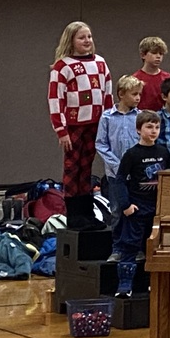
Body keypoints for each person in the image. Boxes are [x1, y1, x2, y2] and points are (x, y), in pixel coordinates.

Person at [49, 21, 113, 230]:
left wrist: (108, 125)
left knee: (86, 170)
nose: (87, 41)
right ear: (71, 41)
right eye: (81, 37)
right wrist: (61, 130)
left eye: (89, 37)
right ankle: (73, 214)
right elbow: (55, 100)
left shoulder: (101, 63)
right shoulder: (62, 66)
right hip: (73, 127)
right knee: (72, 169)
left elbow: (107, 95)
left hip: (95, 124)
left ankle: (86, 212)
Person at [114, 110, 170, 298]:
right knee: (130, 247)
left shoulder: (163, 152)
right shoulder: (132, 154)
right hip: (137, 209)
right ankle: (124, 285)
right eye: (149, 127)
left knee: (155, 249)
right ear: (138, 129)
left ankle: (152, 284)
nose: (153, 131)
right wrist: (125, 205)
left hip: (157, 210)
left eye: (157, 127)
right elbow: (120, 179)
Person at [95, 75, 143, 254]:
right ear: (121, 94)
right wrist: (117, 165)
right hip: (115, 175)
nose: (138, 98)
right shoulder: (107, 117)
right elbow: (101, 143)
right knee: (117, 210)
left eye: (139, 94)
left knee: (136, 211)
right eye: (134, 94)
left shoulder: (140, 116)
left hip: (136, 174)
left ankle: (135, 248)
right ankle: (117, 248)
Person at [134, 36, 170, 112]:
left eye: (161, 54)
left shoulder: (168, 79)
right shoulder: (135, 79)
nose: (158, 56)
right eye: (154, 53)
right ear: (143, 55)